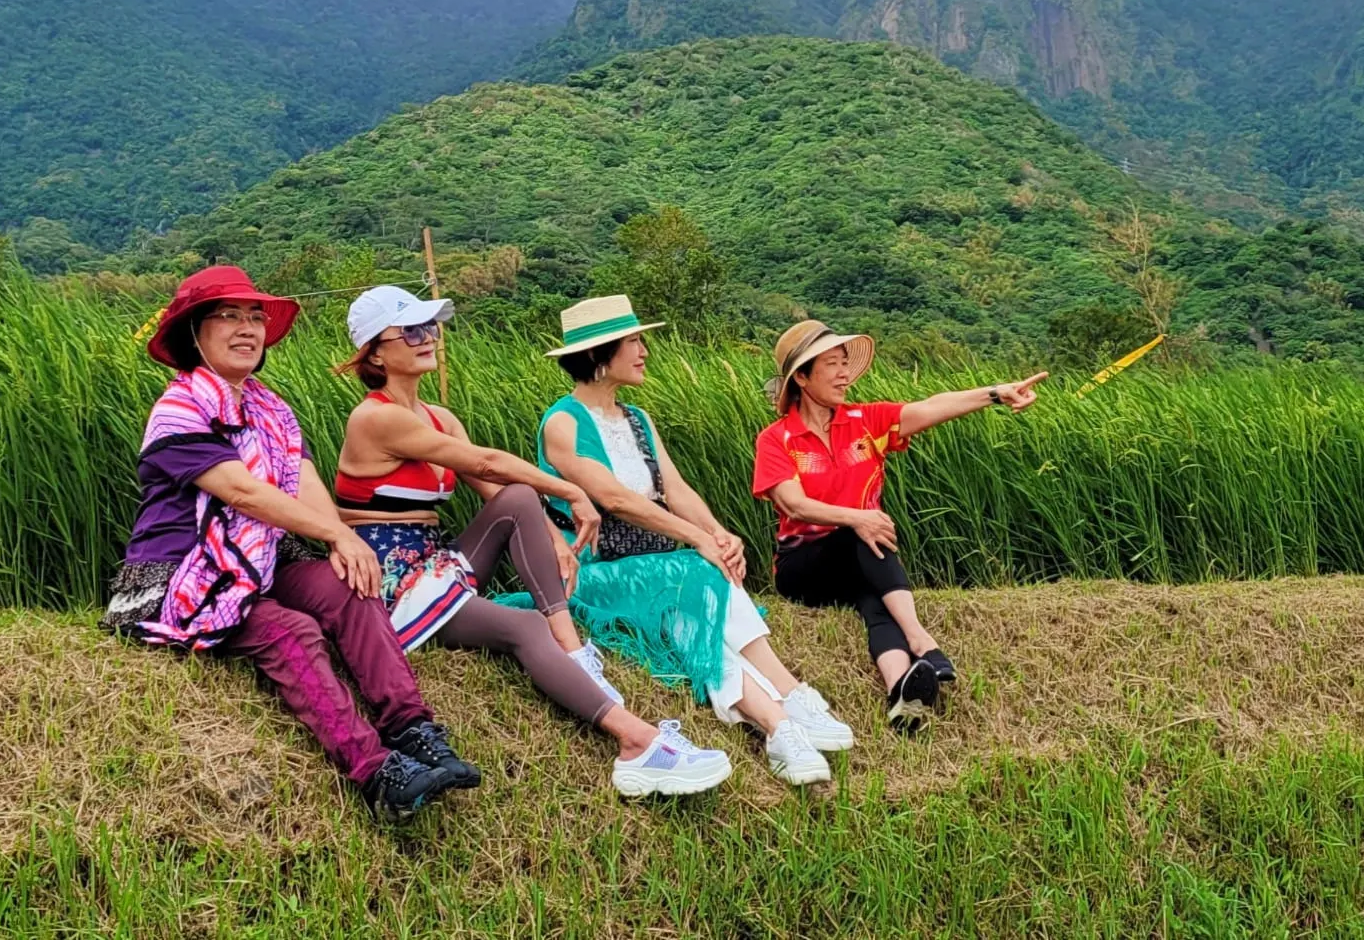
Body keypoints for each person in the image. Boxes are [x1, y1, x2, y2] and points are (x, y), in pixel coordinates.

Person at [100, 265, 476, 823]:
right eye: (228, 316)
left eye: (254, 317)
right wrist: (331, 532)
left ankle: (413, 727)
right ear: (194, 333)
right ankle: (376, 771)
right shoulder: (178, 409)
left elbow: (300, 480)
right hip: (182, 573)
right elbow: (242, 491)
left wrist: (344, 542)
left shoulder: (270, 410)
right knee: (290, 630)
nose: (247, 328)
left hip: (262, 559)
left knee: (348, 584)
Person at [333, 285, 732, 799]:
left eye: (430, 326)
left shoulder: (438, 416)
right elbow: (486, 463)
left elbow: (499, 491)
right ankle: (636, 742)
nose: (428, 337)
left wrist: (552, 540)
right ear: (376, 352)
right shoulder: (375, 417)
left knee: (522, 499)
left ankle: (573, 651)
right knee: (524, 627)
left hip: (435, 562)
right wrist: (567, 490)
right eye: (411, 330)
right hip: (392, 580)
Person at [531, 295, 852, 787]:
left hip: (657, 566)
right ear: (600, 355)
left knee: (693, 622)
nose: (644, 351)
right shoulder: (563, 422)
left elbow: (674, 489)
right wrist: (695, 541)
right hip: (600, 570)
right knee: (697, 572)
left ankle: (781, 722)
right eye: (633, 341)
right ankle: (790, 699)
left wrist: (719, 535)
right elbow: (613, 499)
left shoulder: (637, 418)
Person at [752, 319, 1046, 728]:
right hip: (803, 567)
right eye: (832, 365)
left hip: (860, 558)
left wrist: (996, 394)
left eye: (845, 363)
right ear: (801, 377)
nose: (844, 374)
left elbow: (930, 407)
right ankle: (922, 639)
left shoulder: (863, 421)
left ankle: (900, 690)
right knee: (865, 530)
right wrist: (857, 517)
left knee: (876, 603)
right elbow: (794, 504)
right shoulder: (777, 438)